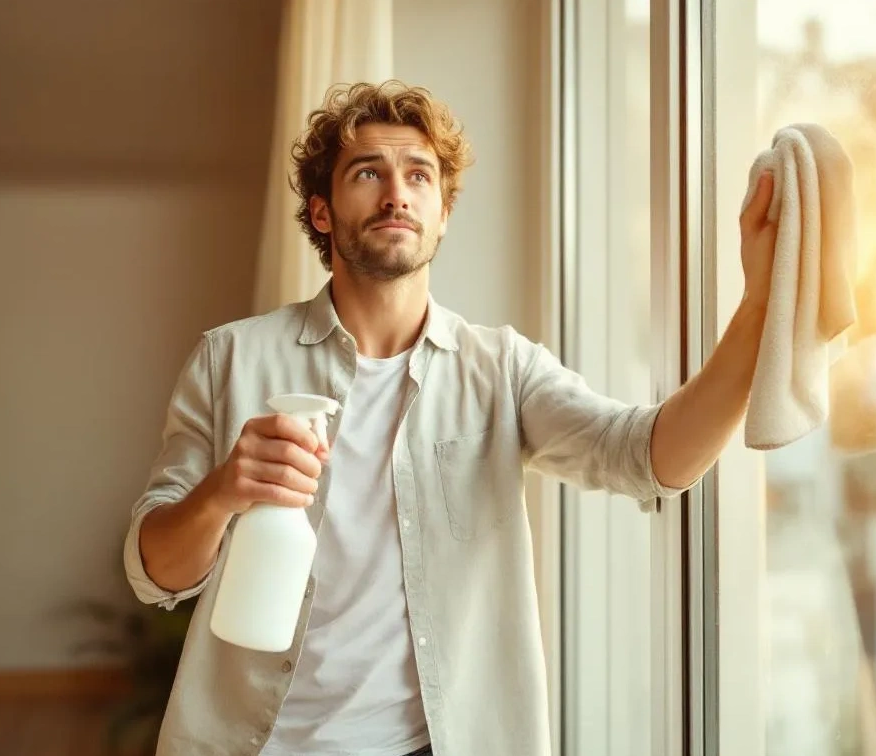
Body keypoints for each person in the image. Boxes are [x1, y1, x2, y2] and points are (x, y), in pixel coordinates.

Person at [124, 80, 778, 756]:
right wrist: (223, 492)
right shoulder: (229, 358)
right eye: (367, 172)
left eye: (418, 175)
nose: (396, 193)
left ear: (442, 214)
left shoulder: (502, 368)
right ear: (321, 213)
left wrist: (759, 308)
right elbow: (154, 572)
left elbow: (647, 458)